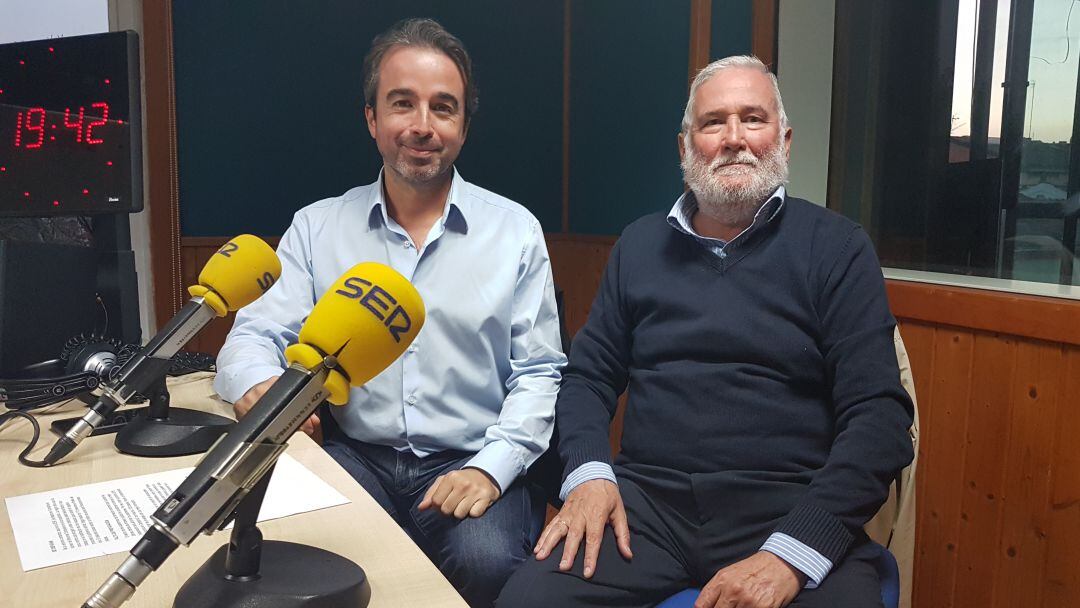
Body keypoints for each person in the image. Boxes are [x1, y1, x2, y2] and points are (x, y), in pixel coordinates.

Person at [497, 55, 914, 608]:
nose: (735, 138)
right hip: (647, 513)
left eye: (754, 119)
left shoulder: (837, 248)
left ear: (784, 140)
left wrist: (792, 553)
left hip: (787, 510)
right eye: (714, 122)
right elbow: (587, 379)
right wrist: (590, 475)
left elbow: (880, 419)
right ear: (685, 147)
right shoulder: (640, 246)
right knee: (526, 600)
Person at [213, 18, 565, 608]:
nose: (422, 126)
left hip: (470, 457)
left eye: (443, 108)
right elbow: (251, 336)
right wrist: (261, 386)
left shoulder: (515, 231)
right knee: (305, 563)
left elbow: (540, 373)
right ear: (373, 120)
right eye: (402, 104)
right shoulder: (316, 226)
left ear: (463, 126)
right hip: (354, 455)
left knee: (492, 568)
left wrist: (492, 468)